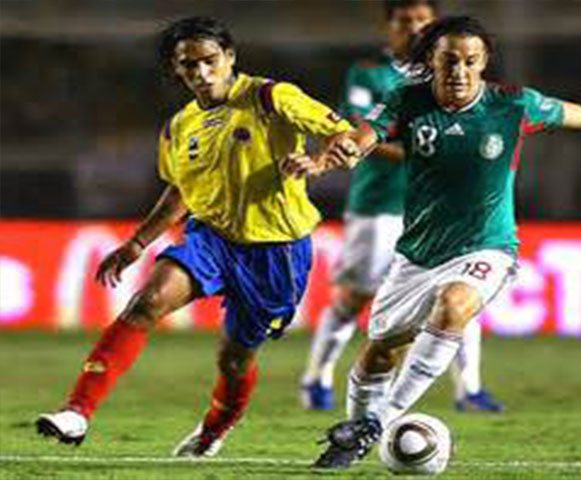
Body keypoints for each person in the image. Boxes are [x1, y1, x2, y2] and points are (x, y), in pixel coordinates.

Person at [282, 16, 581, 469]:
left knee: (454, 306)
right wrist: (330, 159)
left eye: (470, 61)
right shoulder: (407, 100)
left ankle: (379, 422)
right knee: (380, 352)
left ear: (484, 61)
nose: (459, 71)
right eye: (449, 60)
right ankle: (354, 436)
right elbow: (363, 138)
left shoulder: (513, 104)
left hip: (487, 246)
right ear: (431, 61)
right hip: (418, 254)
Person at [35, 16, 353, 457]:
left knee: (235, 359)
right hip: (212, 239)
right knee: (147, 302)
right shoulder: (178, 127)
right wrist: (137, 243)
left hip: (276, 251)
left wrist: (318, 163)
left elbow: (344, 134)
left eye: (210, 61)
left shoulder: (270, 96)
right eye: (189, 65)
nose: (201, 73)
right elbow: (181, 191)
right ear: (176, 69)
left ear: (230, 57)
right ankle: (77, 412)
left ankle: (214, 430)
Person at [300, 0, 504, 414]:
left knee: (460, 293)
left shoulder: (452, 77)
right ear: (388, 27)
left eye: (422, 20)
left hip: (443, 211)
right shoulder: (369, 74)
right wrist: (434, 152)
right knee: (355, 296)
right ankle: (316, 378)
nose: (414, 27)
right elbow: (358, 131)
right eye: (404, 20)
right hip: (380, 203)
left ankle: (469, 388)